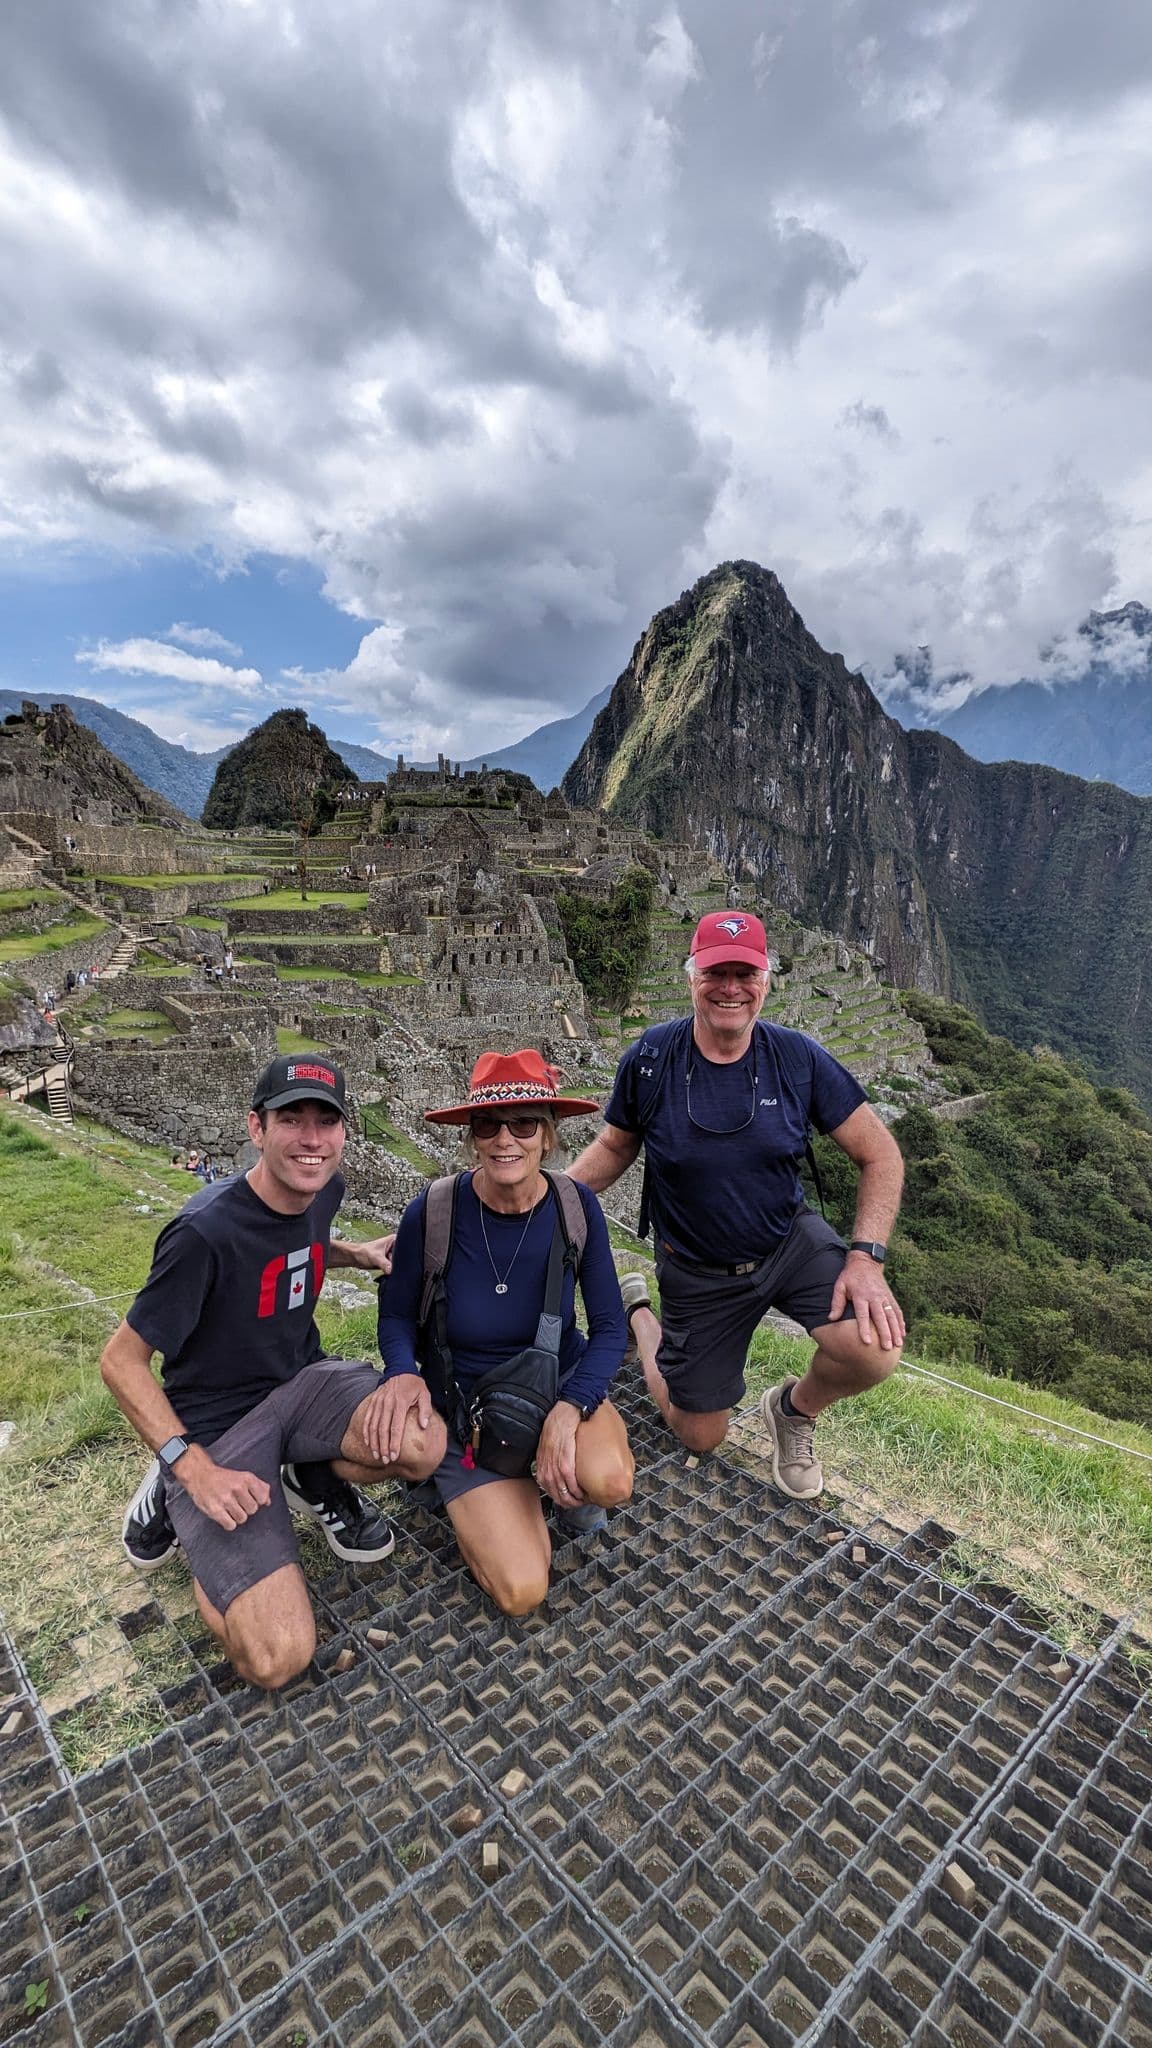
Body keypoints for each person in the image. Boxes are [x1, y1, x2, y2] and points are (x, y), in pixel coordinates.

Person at [101, 1056, 446, 1689]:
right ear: (256, 1128)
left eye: (326, 1121)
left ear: (343, 1133)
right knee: (276, 1657)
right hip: (218, 1429)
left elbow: (296, 1248)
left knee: (423, 1440)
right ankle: (173, 1490)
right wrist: (194, 1467)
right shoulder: (202, 1233)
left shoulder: (324, 1188)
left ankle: (302, 1470)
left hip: (299, 1381)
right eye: (292, 1119)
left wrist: (353, 1253)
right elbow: (120, 1361)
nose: (312, 1139)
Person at [567, 911, 906, 1501]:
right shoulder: (651, 1058)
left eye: (744, 973)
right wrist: (546, 1199)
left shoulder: (797, 1058)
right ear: (691, 976)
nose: (731, 988)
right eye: (716, 972)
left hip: (787, 1245)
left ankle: (795, 1412)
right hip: (696, 1265)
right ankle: (641, 1317)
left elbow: (882, 1156)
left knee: (873, 1350)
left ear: (766, 981)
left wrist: (866, 1260)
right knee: (700, 1435)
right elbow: (615, 1146)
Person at [376, 1050, 633, 1616]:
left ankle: (551, 1477)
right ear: (471, 1136)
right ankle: (497, 1495)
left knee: (611, 1481)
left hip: (555, 1381)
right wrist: (400, 1375)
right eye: (488, 1125)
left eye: (524, 1124)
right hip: (468, 1413)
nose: (504, 1139)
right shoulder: (434, 1212)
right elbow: (395, 1315)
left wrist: (570, 1409)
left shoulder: (575, 1206)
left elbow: (611, 1327)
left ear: (549, 1136)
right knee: (522, 1592)